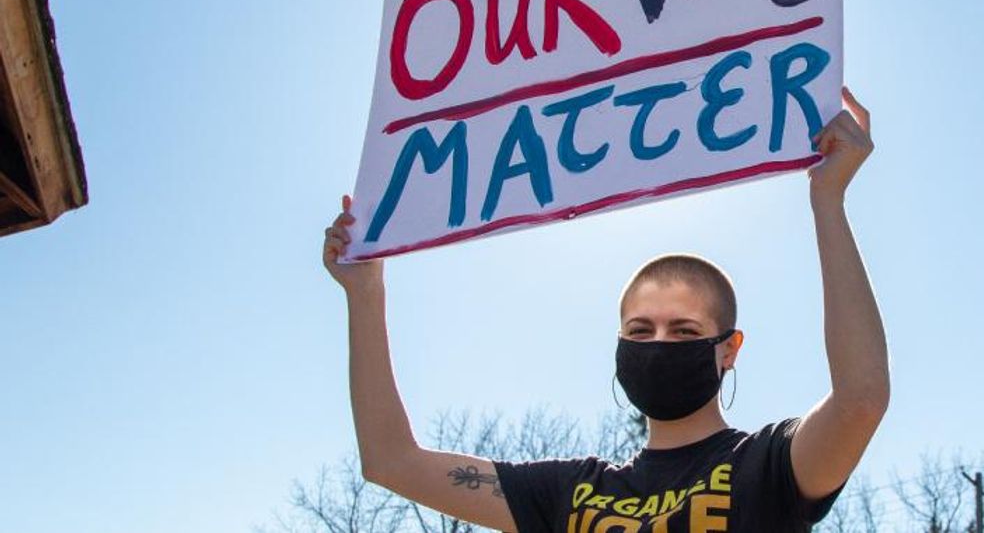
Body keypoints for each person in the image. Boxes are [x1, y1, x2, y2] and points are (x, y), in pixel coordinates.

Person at [322, 86, 888, 532]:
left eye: (684, 328)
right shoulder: (568, 493)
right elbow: (389, 461)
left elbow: (860, 400)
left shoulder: (768, 466)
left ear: (728, 350)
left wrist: (827, 200)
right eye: (640, 330)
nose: (659, 343)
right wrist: (365, 295)